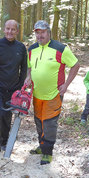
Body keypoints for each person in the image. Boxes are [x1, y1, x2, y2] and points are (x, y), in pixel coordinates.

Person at [24, 20, 80, 165]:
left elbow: (75, 65)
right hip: (36, 94)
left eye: (42, 32)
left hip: (53, 94)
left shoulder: (61, 49)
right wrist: (28, 77)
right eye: (37, 32)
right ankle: (42, 146)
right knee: (38, 122)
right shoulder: (32, 49)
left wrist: (66, 85)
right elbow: (29, 67)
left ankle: (48, 153)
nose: (40, 35)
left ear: (49, 32)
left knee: (49, 123)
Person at [0, 20, 28, 152]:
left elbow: (23, 68)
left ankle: (5, 142)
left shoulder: (21, 47)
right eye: (7, 29)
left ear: (17, 31)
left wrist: (20, 86)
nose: (10, 32)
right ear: (4, 30)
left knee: (7, 117)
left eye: (13, 29)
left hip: (13, 89)